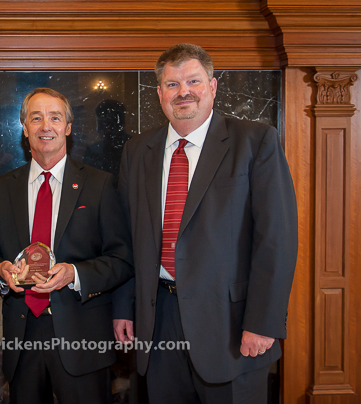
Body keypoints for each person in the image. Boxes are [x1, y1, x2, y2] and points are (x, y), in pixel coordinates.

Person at [113, 44, 298, 404]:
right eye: (172, 84)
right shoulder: (137, 151)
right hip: (157, 320)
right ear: (159, 94)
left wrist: (262, 321)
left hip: (231, 325)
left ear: (213, 87)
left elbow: (276, 240)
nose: (183, 92)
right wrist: (125, 307)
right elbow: (126, 237)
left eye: (193, 81)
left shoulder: (255, 141)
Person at [0, 88, 133, 404]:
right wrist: (0, 270)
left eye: (54, 117)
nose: (45, 126)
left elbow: (121, 258)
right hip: (22, 338)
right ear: (24, 128)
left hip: (82, 334)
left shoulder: (99, 185)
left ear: (68, 127)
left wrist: (74, 274)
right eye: (36, 118)